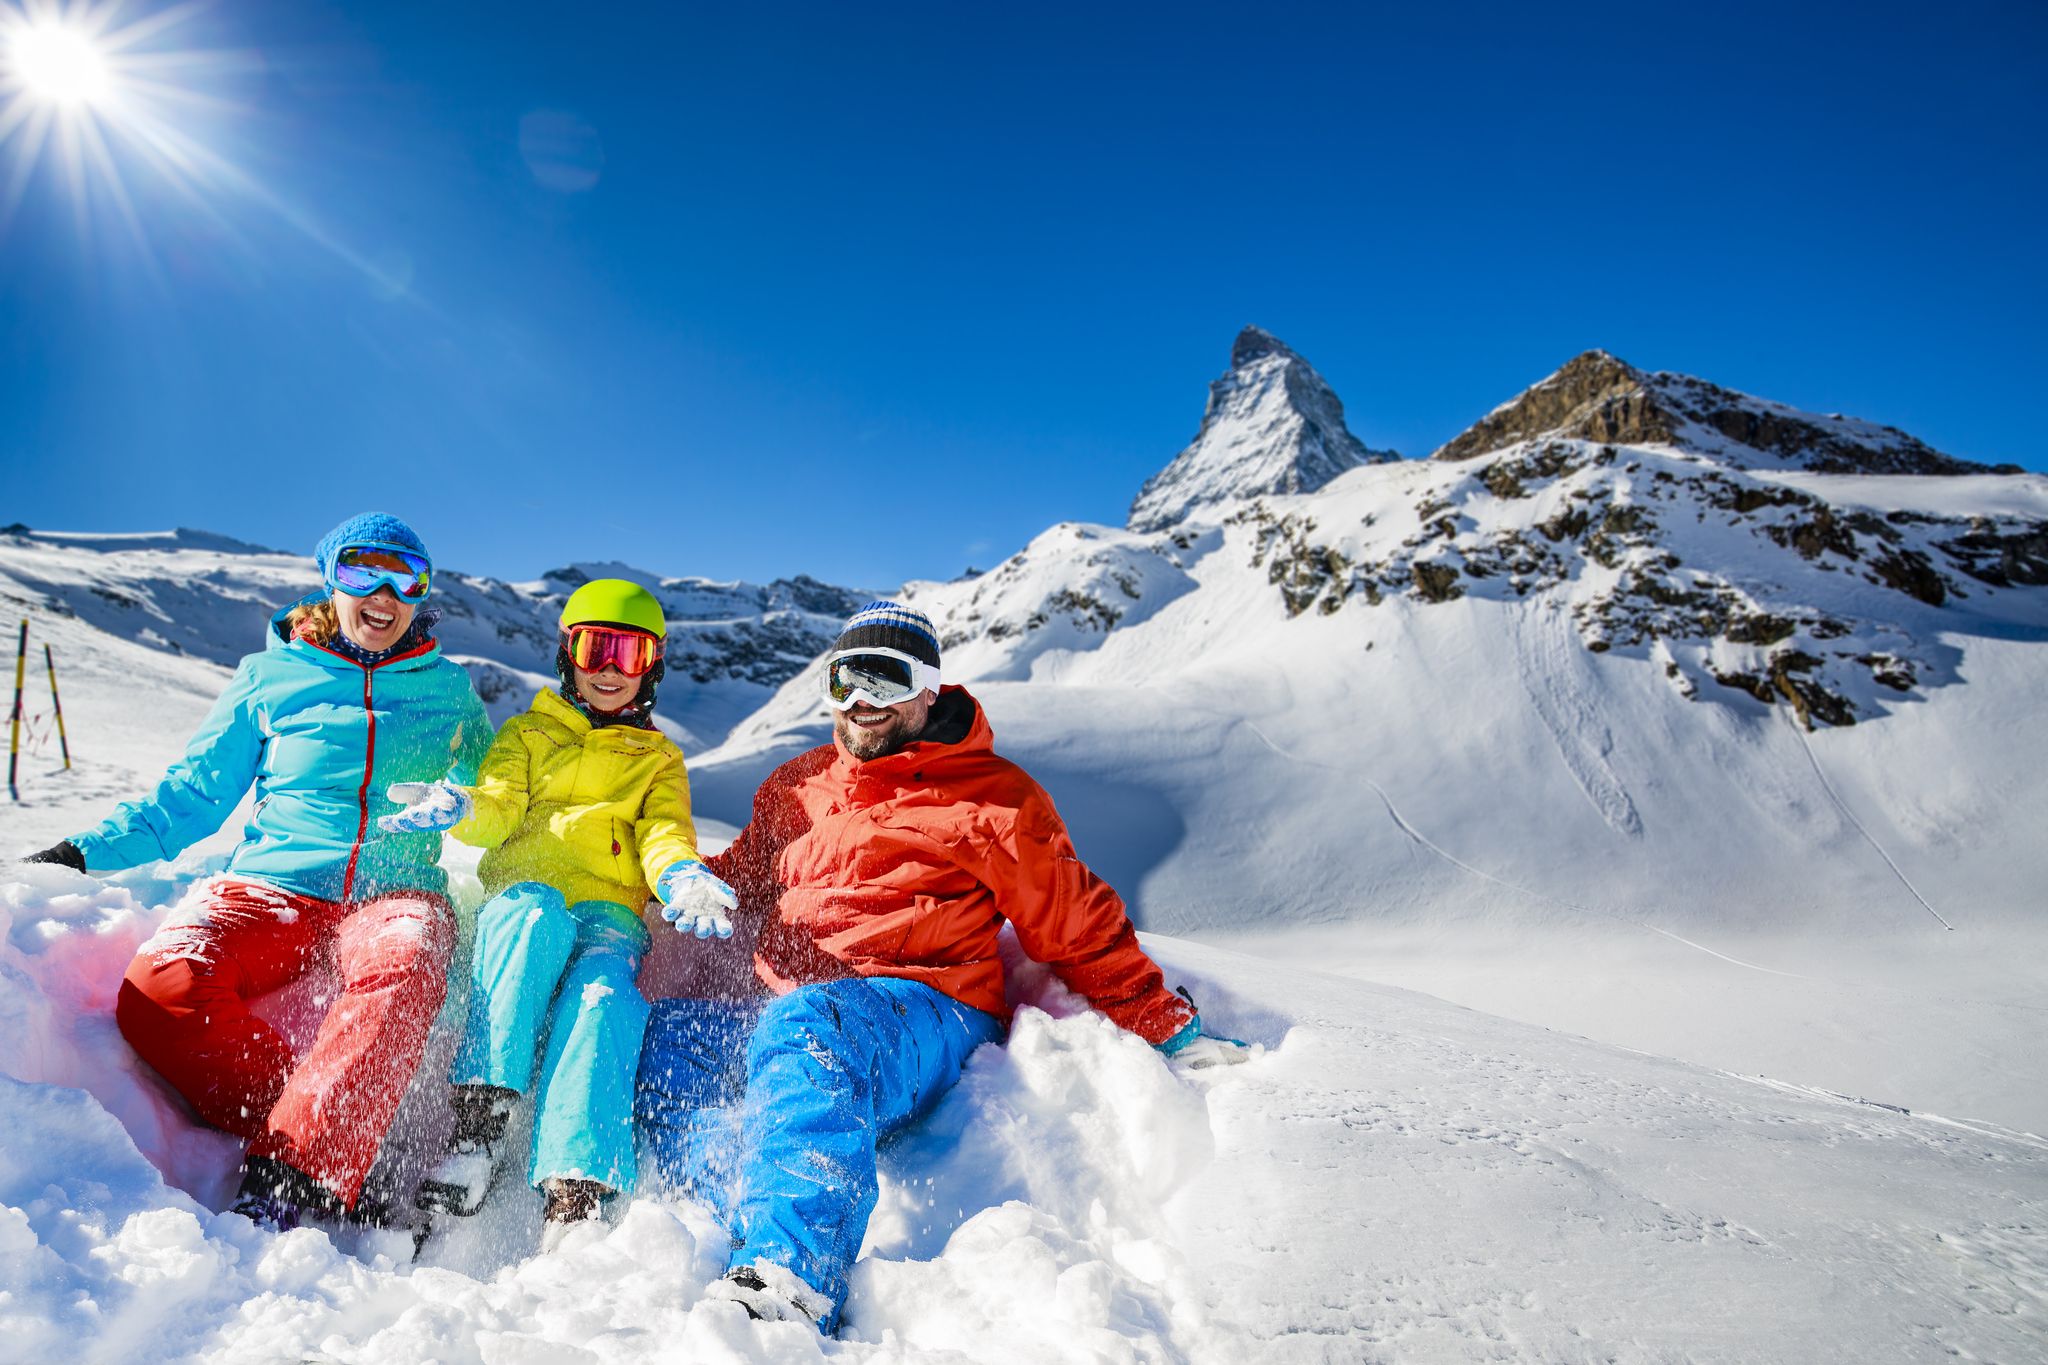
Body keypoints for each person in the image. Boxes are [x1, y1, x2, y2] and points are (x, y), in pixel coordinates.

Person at [632, 600, 1247, 1332]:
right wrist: (669, 881)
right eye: (844, 680)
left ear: (928, 690)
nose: (861, 700)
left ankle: (790, 1276)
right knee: (670, 1037)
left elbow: (1075, 923)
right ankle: (730, 1203)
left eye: (885, 679)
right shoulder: (797, 784)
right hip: (796, 1008)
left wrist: (1164, 1021)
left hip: (922, 1005)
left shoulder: (993, 797)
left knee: (807, 1027)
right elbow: (746, 880)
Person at [22, 512, 491, 1232]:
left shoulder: (450, 689)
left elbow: (495, 783)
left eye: (407, 579)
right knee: (165, 988)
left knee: (408, 960)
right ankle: (325, 1120)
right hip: (276, 884)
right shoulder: (270, 677)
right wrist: (83, 851)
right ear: (330, 579)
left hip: (394, 889)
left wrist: (465, 797)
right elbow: (192, 794)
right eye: (363, 570)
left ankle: (297, 1173)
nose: (384, 594)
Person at [382, 578, 736, 1249]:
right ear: (568, 653)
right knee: (532, 916)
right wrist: (463, 806)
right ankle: (478, 1127)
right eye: (595, 648)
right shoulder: (528, 733)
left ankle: (576, 1186)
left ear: (652, 666)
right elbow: (497, 807)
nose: (610, 669)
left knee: (603, 996)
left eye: (629, 654)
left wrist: (680, 874)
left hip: (609, 910)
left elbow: (663, 833)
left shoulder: (658, 758)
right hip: (526, 892)